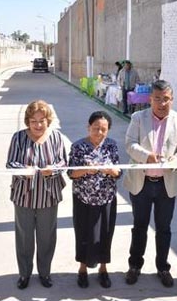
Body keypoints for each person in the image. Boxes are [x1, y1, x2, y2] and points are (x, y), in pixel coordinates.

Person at [123, 80, 177, 288]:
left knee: (164, 228)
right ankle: (135, 265)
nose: (162, 103)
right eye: (157, 99)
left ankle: (163, 267)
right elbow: (129, 144)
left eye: (166, 99)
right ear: (150, 99)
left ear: (172, 99)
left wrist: (176, 159)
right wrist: (146, 156)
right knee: (140, 227)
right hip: (141, 183)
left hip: (166, 185)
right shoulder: (138, 118)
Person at [6, 100, 67, 290]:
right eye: (33, 121)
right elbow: (10, 164)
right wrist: (24, 169)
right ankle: (24, 274)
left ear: (48, 121)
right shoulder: (18, 138)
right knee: (24, 236)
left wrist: (54, 170)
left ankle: (45, 272)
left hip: (48, 196)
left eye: (42, 120)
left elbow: (64, 162)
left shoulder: (56, 137)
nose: (38, 125)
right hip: (24, 195)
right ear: (27, 122)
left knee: (46, 236)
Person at [67, 111, 122, 289]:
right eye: (95, 128)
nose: (99, 133)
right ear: (88, 127)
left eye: (103, 129)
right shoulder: (78, 146)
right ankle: (82, 269)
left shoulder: (112, 146)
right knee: (83, 233)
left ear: (109, 130)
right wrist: (85, 170)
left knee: (105, 234)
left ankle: (103, 269)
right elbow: (71, 174)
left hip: (106, 198)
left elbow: (119, 172)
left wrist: (110, 170)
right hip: (83, 198)